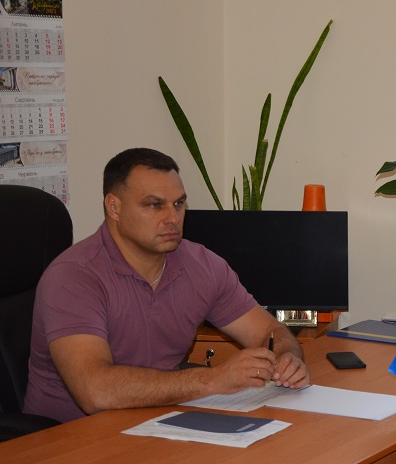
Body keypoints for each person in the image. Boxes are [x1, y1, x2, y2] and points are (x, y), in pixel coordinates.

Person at [23, 148, 310, 423]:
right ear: (114, 207)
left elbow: (269, 331)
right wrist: (212, 379)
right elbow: (95, 391)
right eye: (154, 205)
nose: (173, 218)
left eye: (179, 204)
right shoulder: (74, 277)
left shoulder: (202, 265)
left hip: (157, 422)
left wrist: (287, 357)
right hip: (68, 439)